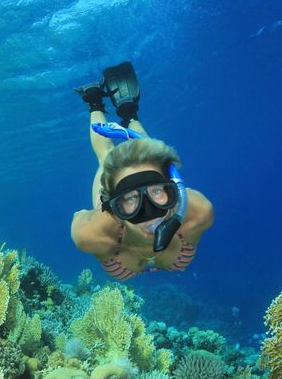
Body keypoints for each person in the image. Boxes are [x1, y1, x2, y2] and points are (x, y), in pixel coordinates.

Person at [70, 62, 214, 281]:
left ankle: (129, 115)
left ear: (174, 192)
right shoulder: (93, 236)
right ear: (112, 207)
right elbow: (79, 217)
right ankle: (94, 101)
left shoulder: (199, 214)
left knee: (146, 149)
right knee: (106, 155)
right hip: (109, 216)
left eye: (157, 191)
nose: (149, 212)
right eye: (129, 198)